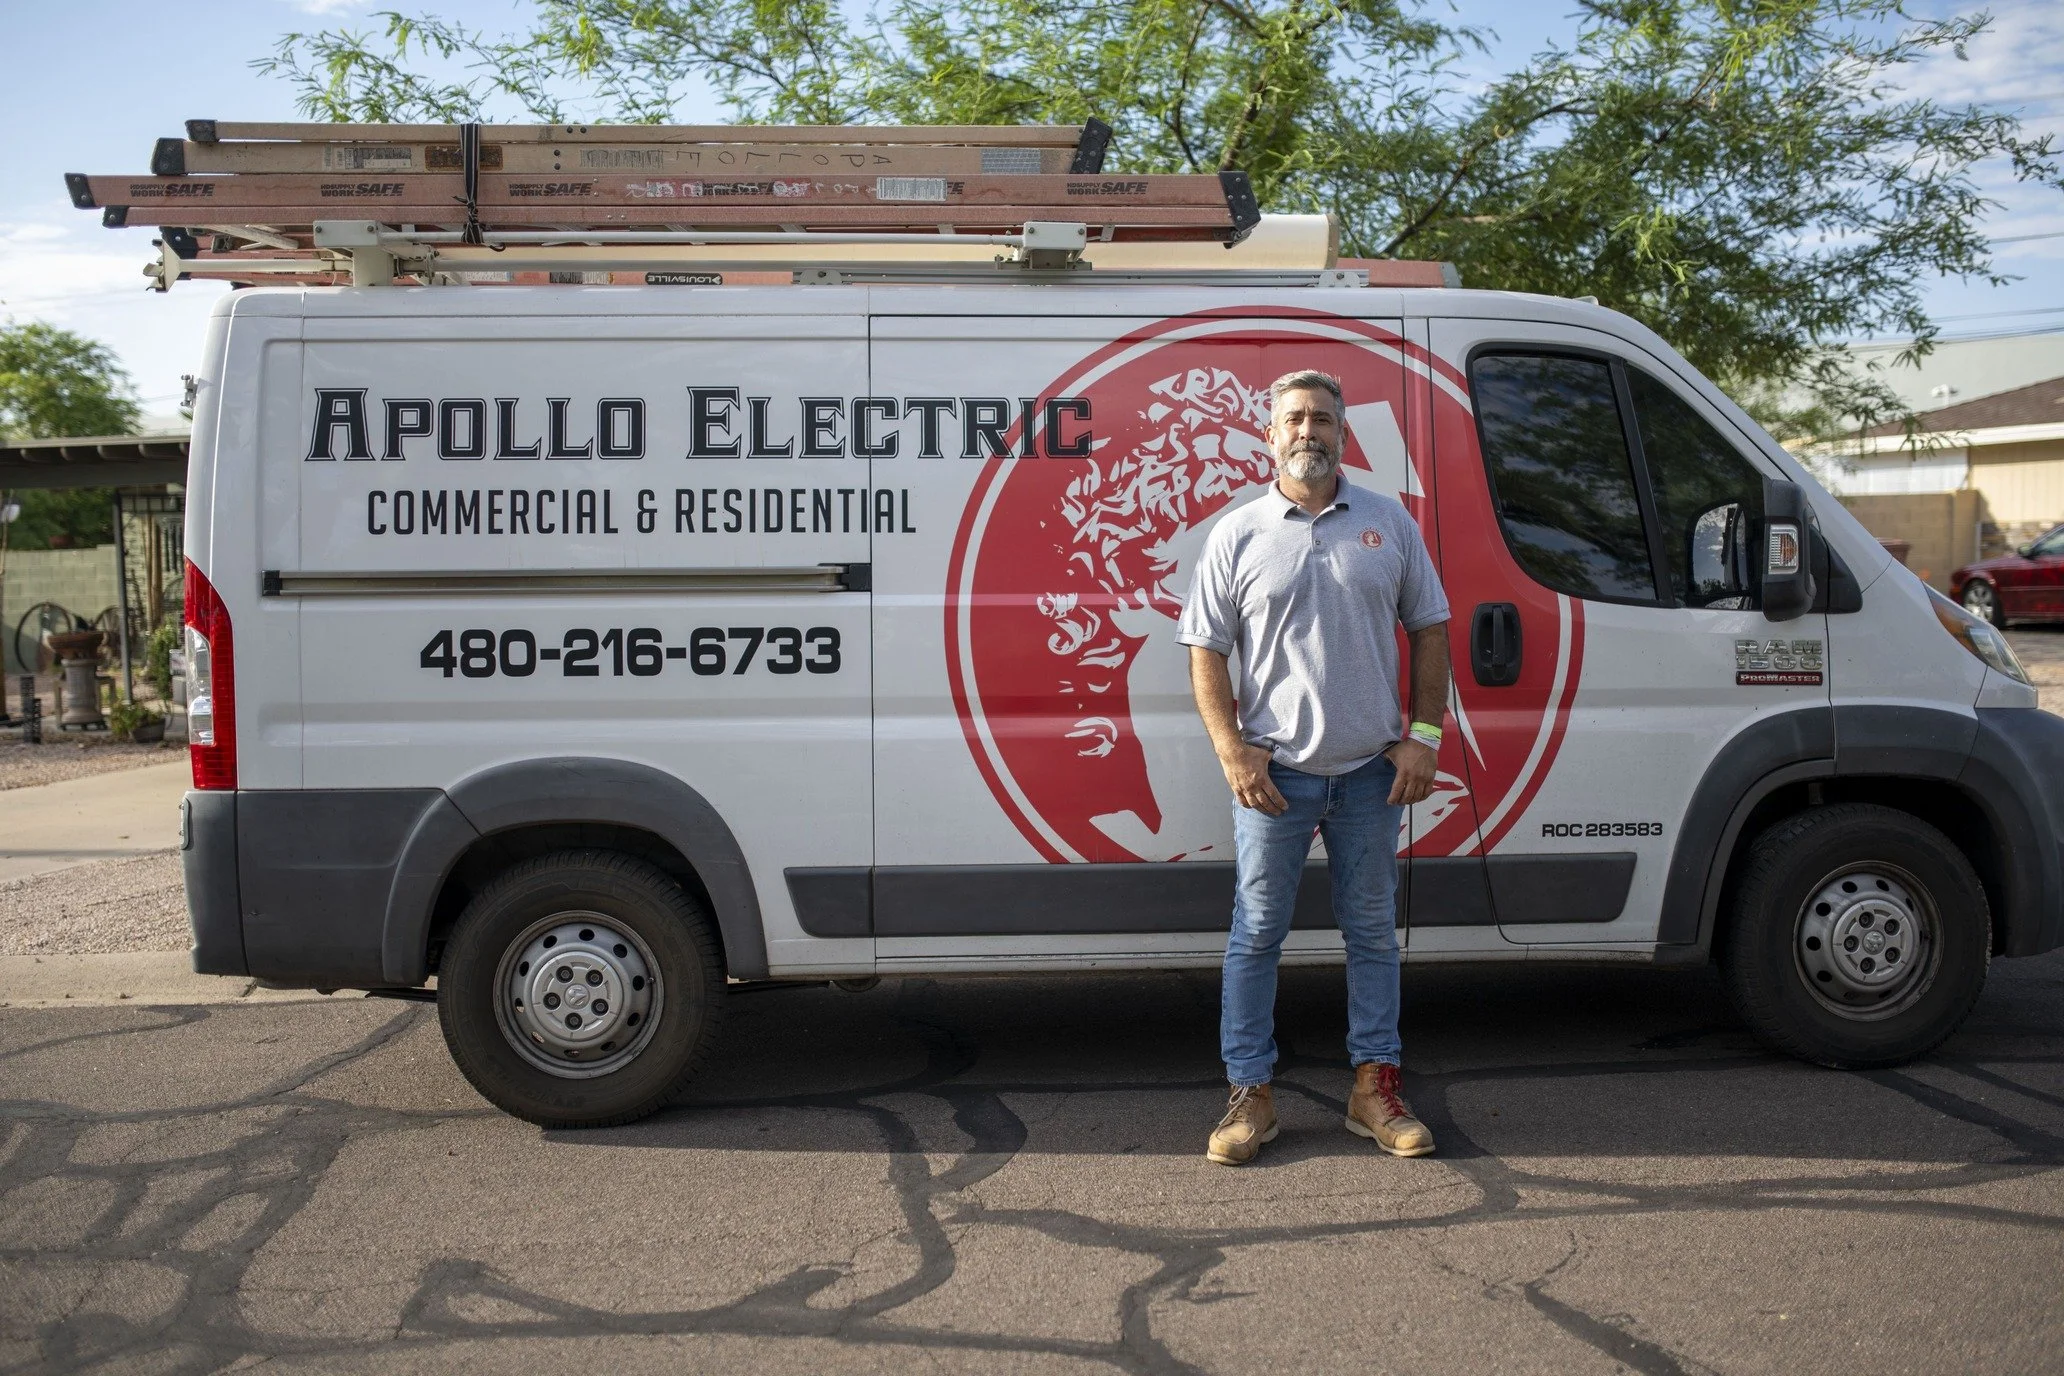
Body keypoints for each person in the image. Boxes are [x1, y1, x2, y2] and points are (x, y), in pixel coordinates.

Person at [1177, 369, 1452, 1166]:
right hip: (1277, 778)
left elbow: (1430, 628)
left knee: (1370, 932)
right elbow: (1205, 650)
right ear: (1270, 435)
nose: (1309, 431)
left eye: (1323, 419)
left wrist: (1424, 735)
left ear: (1342, 433)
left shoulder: (1388, 523)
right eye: (1294, 418)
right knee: (1257, 933)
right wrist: (1232, 749)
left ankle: (1375, 1091)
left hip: (1373, 772)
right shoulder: (1237, 533)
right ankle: (1250, 1098)